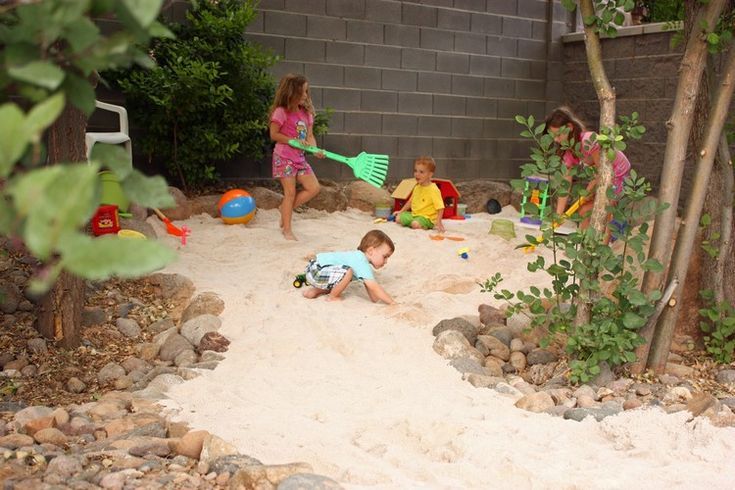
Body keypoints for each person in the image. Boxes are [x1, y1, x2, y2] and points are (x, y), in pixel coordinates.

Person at [545, 106, 631, 234]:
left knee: (608, 210)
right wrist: (559, 214)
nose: (556, 140)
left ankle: (604, 247)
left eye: (558, 135)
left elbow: (602, 172)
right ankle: (583, 245)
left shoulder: (588, 140)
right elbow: (566, 182)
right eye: (553, 136)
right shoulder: (568, 152)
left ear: (569, 127)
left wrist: (586, 193)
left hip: (618, 173)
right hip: (601, 177)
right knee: (584, 210)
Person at [269, 73, 324, 241]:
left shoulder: (307, 114)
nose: (306, 95)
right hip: (284, 157)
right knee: (290, 193)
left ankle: (284, 209)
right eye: (303, 91)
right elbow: (274, 134)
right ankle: (287, 230)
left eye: (307, 92)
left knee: (314, 187)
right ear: (292, 92)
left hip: (299, 159)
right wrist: (291, 141)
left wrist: (314, 149)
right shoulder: (281, 112)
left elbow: (309, 136)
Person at [302, 229, 396, 304]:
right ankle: (333, 297)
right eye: (385, 256)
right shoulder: (361, 261)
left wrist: (377, 300)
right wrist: (392, 302)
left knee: (338, 281)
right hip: (318, 270)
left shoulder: (360, 260)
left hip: (314, 269)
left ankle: (314, 291)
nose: (386, 261)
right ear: (371, 251)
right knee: (348, 272)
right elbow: (374, 287)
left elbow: (372, 293)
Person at [392, 156, 445, 232]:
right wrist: (401, 211)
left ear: (430, 174)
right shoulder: (417, 187)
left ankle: (422, 225)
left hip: (427, 218)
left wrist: (439, 222)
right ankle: (413, 223)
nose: (417, 174)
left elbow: (440, 208)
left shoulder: (433, 189)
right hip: (414, 215)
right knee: (398, 218)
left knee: (415, 224)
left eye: (421, 172)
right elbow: (410, 202)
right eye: (415, 171)